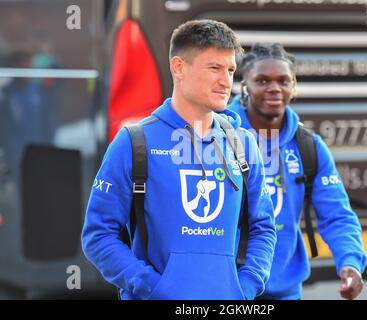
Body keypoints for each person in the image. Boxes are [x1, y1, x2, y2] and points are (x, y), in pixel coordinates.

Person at [81, 20, 276, 300]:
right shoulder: (134, 142)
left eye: (231, 70)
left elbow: (262, 227)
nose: (226, 81)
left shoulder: (243, 144)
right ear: (179, 67)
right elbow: (98, 236)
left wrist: (245, 287)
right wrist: (150, 286)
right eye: (214, 68)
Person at [228, 43, 367, 300]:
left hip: (284, 291)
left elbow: (337, 215)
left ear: (294, 88)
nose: (274, 88)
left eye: (283, 81)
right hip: (227, 289)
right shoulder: (216, 136)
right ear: (244, 88)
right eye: (262, 80)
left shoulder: (308, 146)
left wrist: (350, 263)